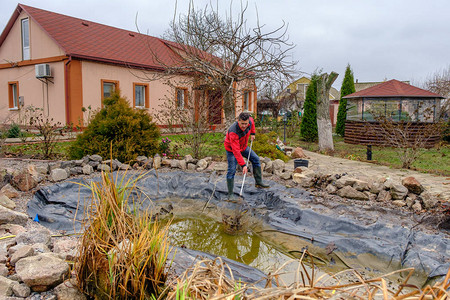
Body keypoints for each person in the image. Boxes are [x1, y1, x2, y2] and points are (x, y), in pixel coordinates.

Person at [224, 112, 269, 200]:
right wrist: (243, 165)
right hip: (232, 150)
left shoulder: (250, 121)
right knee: (231, 170)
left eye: (246, 123)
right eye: (242, 124)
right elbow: (236, 151)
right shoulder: (233, 132)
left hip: (243, 147)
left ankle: (258, 182)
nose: (244, 126)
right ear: (238, 121)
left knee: (256, 159)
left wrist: (253, 133)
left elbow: (252, 124)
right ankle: (230, 194)